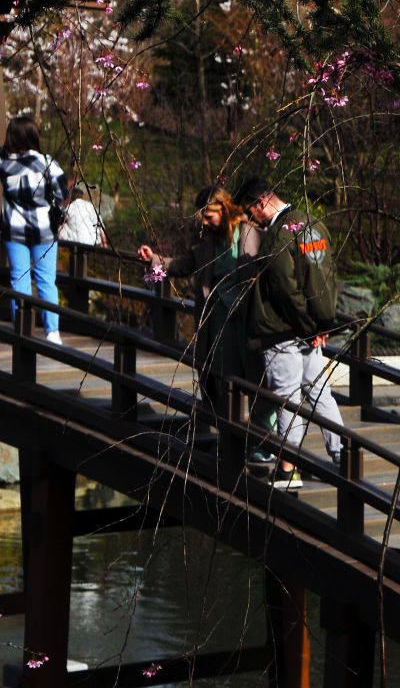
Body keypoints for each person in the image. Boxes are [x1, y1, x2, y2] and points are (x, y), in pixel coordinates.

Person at [235, 176, 345, 488]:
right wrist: (323, 322)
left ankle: (287, 468)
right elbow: (323, 277)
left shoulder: (277, 235)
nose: (250, 219)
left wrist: (308, 327)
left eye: (249, 211)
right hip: (311, 326)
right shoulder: (312, 223)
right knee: (319, 392)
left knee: (287, 397)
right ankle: (343, 454)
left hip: (282, 328)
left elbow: (284, 287)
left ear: (260, 203)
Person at [136, 186, 261, 416]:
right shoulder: (206, 239)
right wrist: (153, 260)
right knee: (219, 377)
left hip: (244, 318)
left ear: (224, 210)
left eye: (208, 216)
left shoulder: (250, 232)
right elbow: (183, 266)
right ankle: (224, 427)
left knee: (250, 378)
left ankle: (252, 431)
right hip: (215, 318)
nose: (204, 222)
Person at [1, 114, 69, 345]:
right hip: (44, 230)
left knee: (19, 278)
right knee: (46, 280)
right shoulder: (47, 163)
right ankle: (52, 332)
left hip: (14, 230)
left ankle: (22, 328)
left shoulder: (4, 165)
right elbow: (63, 193)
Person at [58, 180, 107, 248]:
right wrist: (104, 242)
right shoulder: (90, 206)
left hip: (77, 241)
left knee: (60, 227)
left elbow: (61, 222)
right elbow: (100, 224)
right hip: (93, 241)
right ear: (82, 196)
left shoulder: (69, 208)